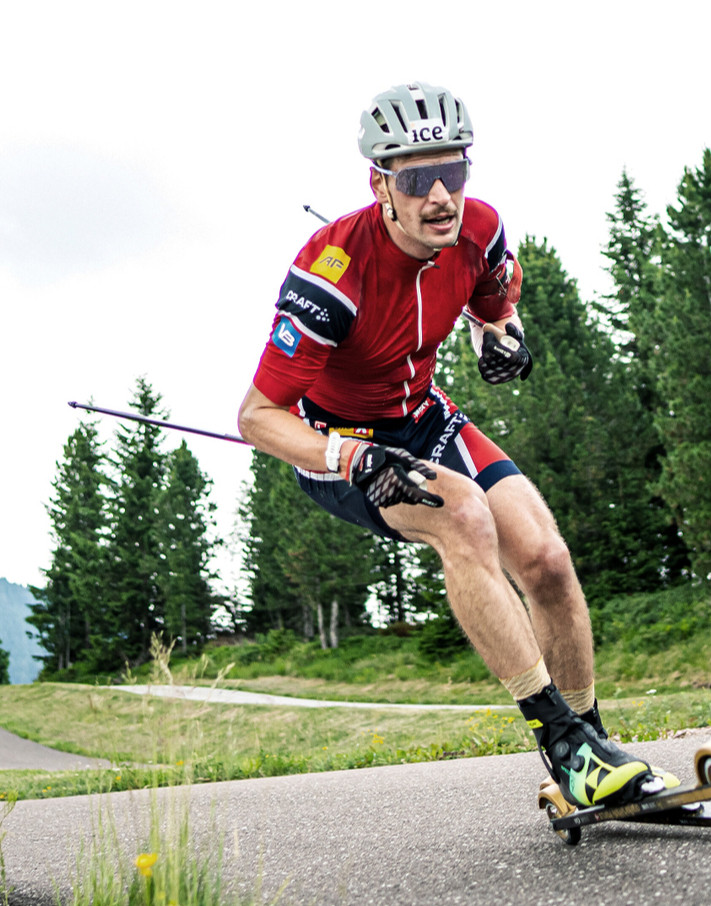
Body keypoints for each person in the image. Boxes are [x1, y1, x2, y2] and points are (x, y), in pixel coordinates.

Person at [237, 82, 664, 808]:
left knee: (548, 559)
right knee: (464, 515)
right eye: (415, 179)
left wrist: (503, 341)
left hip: (425, 417)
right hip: (345, 446)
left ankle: (589, 750)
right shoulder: (330, 272)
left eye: (454, 173)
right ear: (381, 186)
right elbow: (258, 417)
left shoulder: (481, 230)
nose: (440, 196)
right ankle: (559, 740)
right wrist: (350, 458)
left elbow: (496, 308)